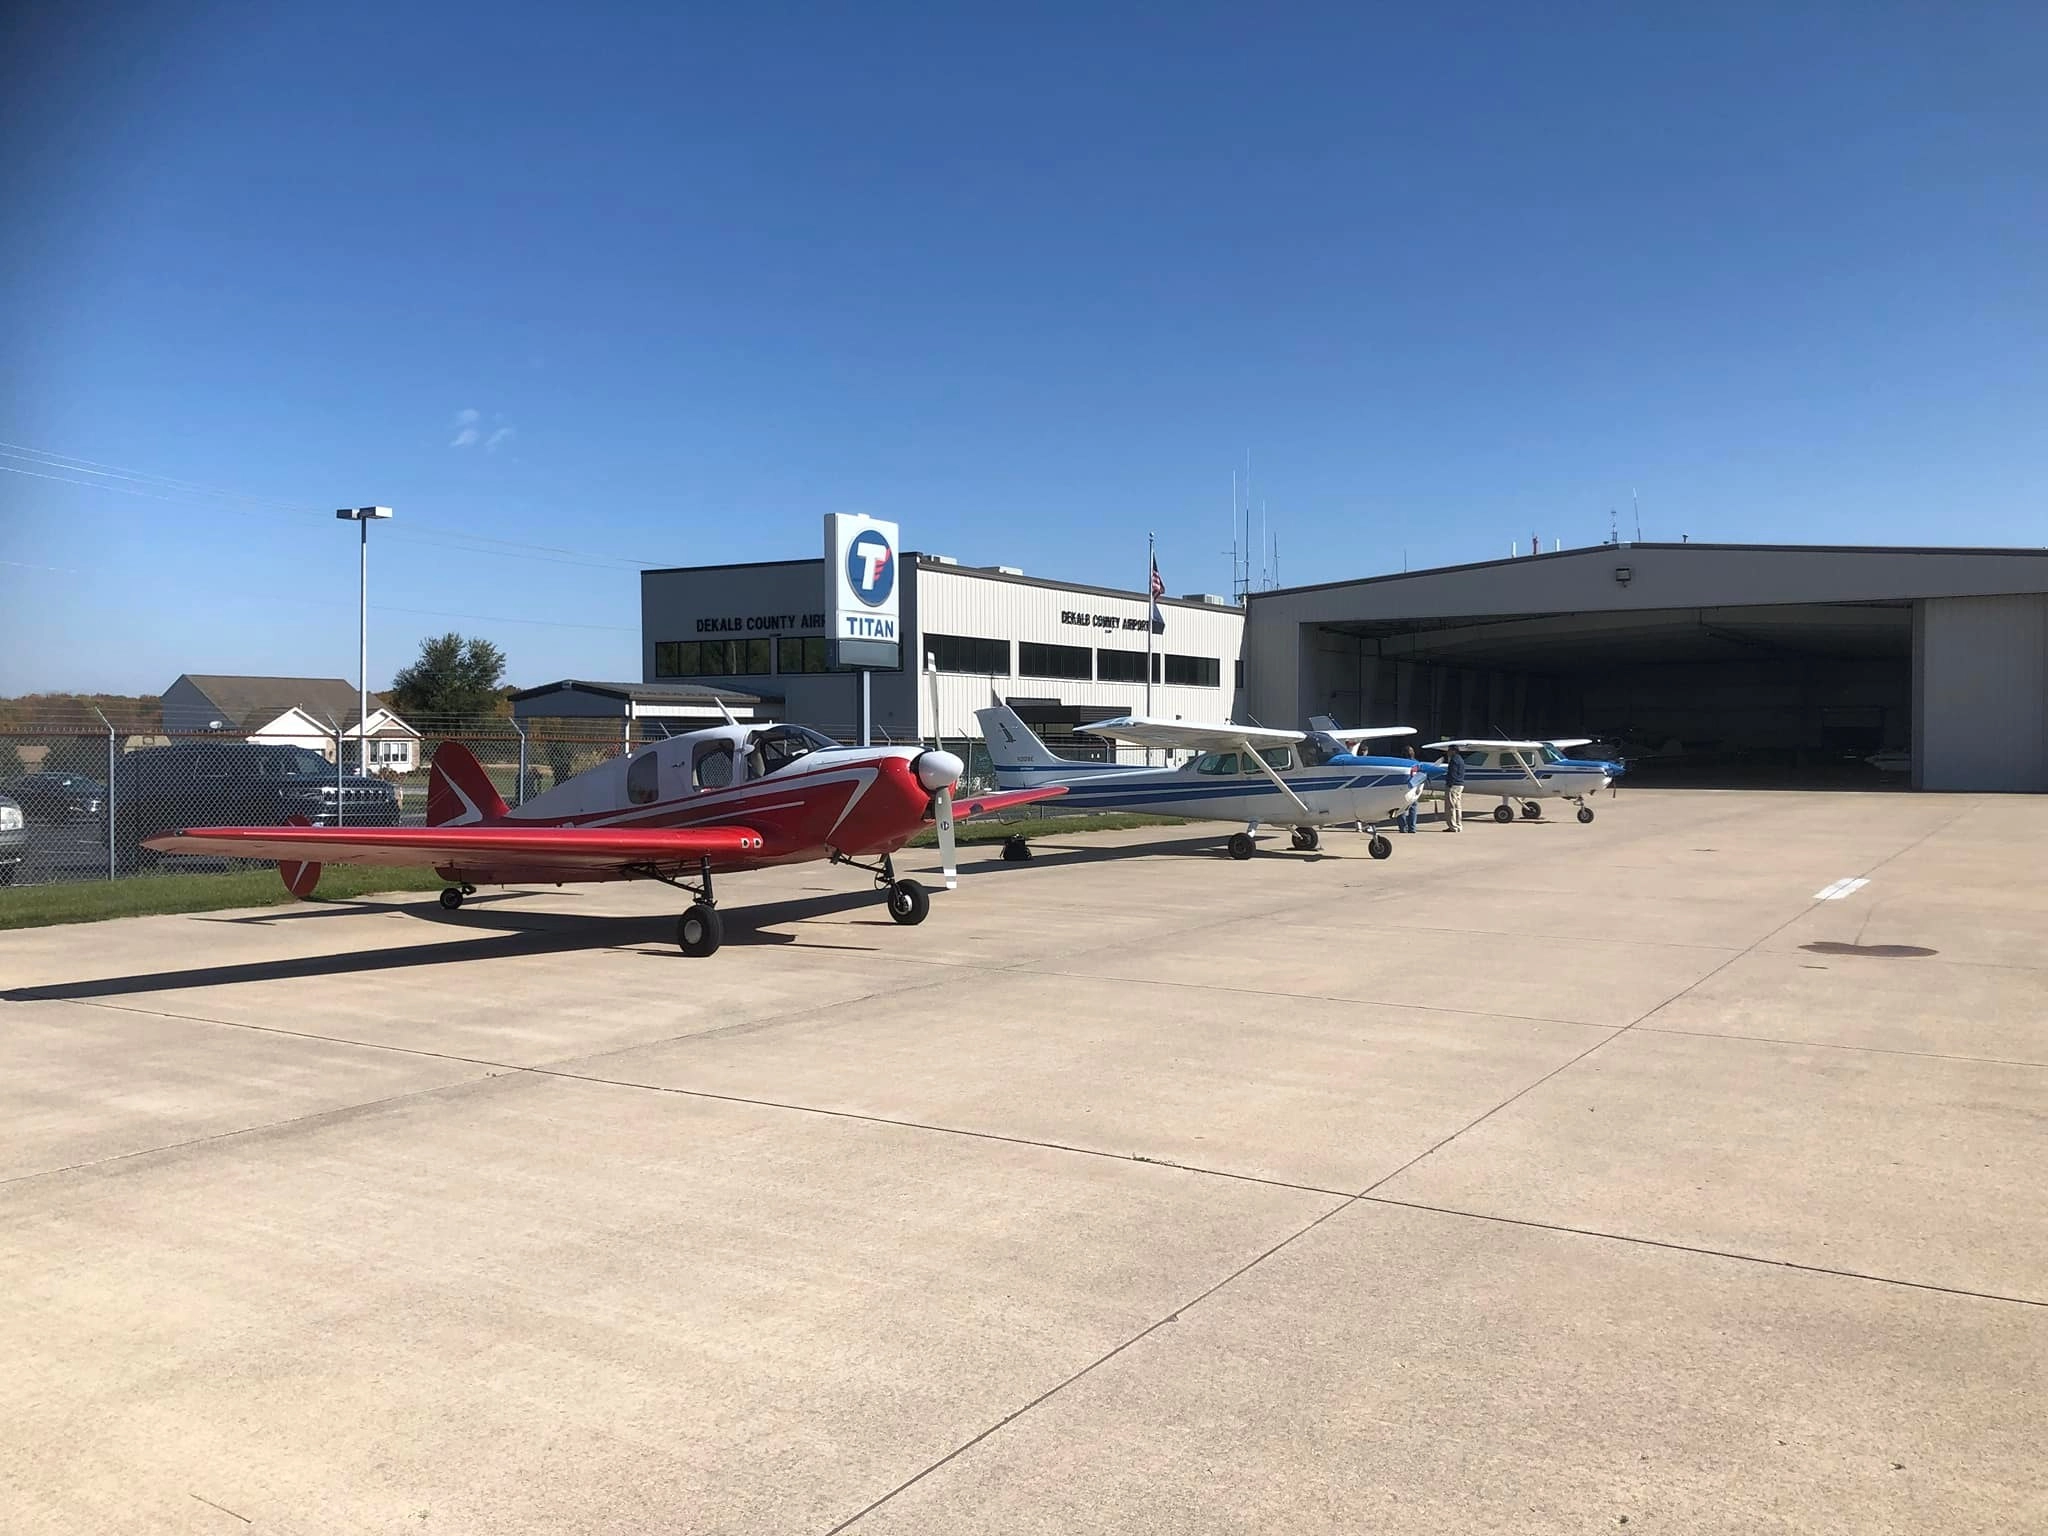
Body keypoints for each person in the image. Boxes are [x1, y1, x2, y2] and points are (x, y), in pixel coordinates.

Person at [1442, 744, 1466, 831]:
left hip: (1453, 785)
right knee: (1457, 806)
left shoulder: (1454, 760)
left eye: (1449, 750)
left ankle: (1453, 826)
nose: (1447, 752)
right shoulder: (1461, 760)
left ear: (1453, 751)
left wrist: (1449, 784)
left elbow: (1453, 774)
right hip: (1460, 784)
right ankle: (1459, 825)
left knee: (1450, 806)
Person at [1398, 741, 1419, 833]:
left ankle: (1403, 827)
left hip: (1404, 788)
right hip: (1414, 788)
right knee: (1413, 808)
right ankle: (1412, 828)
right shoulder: (1417, 764)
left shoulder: (1400, 763)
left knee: (1401, 808)